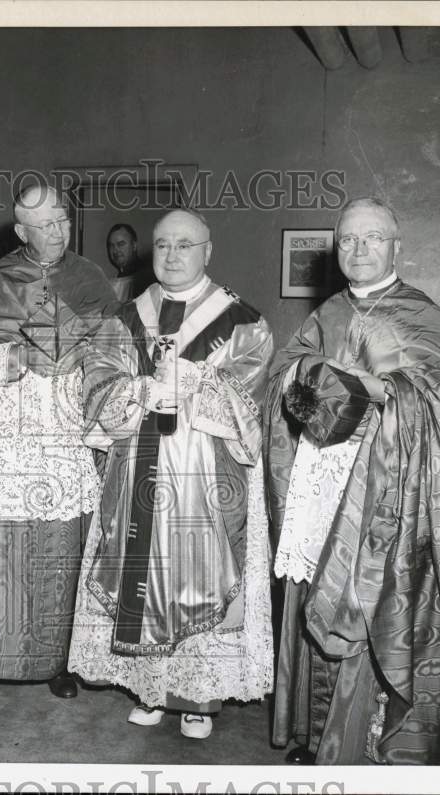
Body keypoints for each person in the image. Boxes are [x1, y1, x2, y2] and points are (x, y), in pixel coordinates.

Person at [264, 197, 440, 764]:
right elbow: (285, 373)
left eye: (372, 238)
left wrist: (377, 389)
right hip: (322, 478)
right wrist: (304, 375)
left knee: (367, 595)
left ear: (396, 246)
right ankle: (314, 729)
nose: (358, 250)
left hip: (387, 484)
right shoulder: (325, 311)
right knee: (313, 588)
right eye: (348, 240)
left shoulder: (419, 313)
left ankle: (366, 741)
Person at [67, 209, 275, 740]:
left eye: (186, 244)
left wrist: (197, 386)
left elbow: (251, 399)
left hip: (205, 478)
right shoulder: (125, 318)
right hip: (138, 471)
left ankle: (197, 699)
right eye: (163, 245)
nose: (173, 255)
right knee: (143, 573)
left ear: (209, 251)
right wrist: (140, 392)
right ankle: (151, 689)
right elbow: (97, 389)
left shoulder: (242, 320)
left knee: (194, 575)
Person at [0, 183, 119, 719]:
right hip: (10, 431)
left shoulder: (89, 277)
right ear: (21, 232)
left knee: (61, 546)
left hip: (64, 428)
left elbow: (112, 348)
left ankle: (55, 660)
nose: (59, 231)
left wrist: (86, 360)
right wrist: (16, 358)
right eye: (45, 224)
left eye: (63, 220)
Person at [107, 223, 154, 302]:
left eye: (121, 244)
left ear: (134, 245)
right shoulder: (113, 283)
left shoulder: (147, 279)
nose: (115, 250)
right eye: (111, 245)